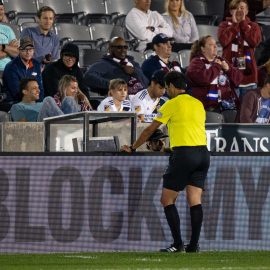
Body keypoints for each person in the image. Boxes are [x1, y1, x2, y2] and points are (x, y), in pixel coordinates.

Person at [121, 71, 210, 253]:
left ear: (170, 86)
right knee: (195, 200)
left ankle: (178, 244)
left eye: (167, 87)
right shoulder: (198, 103)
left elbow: (149, 131)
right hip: (203, 154)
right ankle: (193, 245)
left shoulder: (172, 103)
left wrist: (133, 147)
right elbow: (189, 129)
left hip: (184, 154)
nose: (167, 90)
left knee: (166, 199)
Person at [186, 35, 242, 119]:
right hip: (208, 109)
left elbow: (238, 80)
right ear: (202, 48)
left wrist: (228, 69)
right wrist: (216, 66)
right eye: (211, 44)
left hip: (228, 107)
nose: (215, 46)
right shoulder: (196, 62)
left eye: (215, 44)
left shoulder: (221, 60)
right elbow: (203, 79)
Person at [218, 0, 262, 99]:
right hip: (229, 76)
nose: (239, 10)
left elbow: (254, 41)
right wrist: (234, 25)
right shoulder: (224, 25)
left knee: (248, 110)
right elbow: (224, 41)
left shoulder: (253, 26)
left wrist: (242, 23)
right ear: (230, 11)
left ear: (246, 11)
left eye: (241, 8)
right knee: (231, 110)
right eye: (235, 8)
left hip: (249, 77)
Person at [84, 37, 148, 96]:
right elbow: (88, 76)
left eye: (125, 47)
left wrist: (134, 72)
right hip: (121, 100)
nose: (123, 50)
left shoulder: (133, 63)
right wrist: (112, 84)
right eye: (119, 47)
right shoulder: (104, 64)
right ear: (110, 49)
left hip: (142, 98)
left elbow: (146, 83)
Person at [10, 77, 78, 122]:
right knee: (48, 99)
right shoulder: (17, 107)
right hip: (39, 130)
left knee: (69, 99)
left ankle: (73, 128)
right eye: (34, 88)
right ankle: (69, 126)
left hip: (54, 127)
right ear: (25, 91)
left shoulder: (42, 104)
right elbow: (23, 127)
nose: (38, 90)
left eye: (38, 88)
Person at [2, 36, 44, 107]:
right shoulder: (11, 67)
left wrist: (39, 102)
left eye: (30, 49)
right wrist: (33, 103)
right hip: (15, 102)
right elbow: (16, 92)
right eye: (24, 50)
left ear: (34, 50)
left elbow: (40, 87)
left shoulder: (36, 64)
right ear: (19, 50)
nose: (28, 52)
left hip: (33, 101)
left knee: (48, 102)